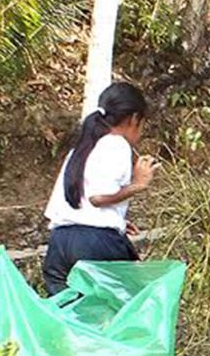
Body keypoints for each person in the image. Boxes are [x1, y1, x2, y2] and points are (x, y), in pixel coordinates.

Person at [43, 83, 157, 295]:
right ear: (133, 119)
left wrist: (117, 219)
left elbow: (87, 201)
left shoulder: (82, 148)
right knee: (124, 312)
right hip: (94, 246)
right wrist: (138, 184)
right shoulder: (117, 144)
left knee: (70, 318)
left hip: (60, 245)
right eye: (141, 124)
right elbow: (98, 197)